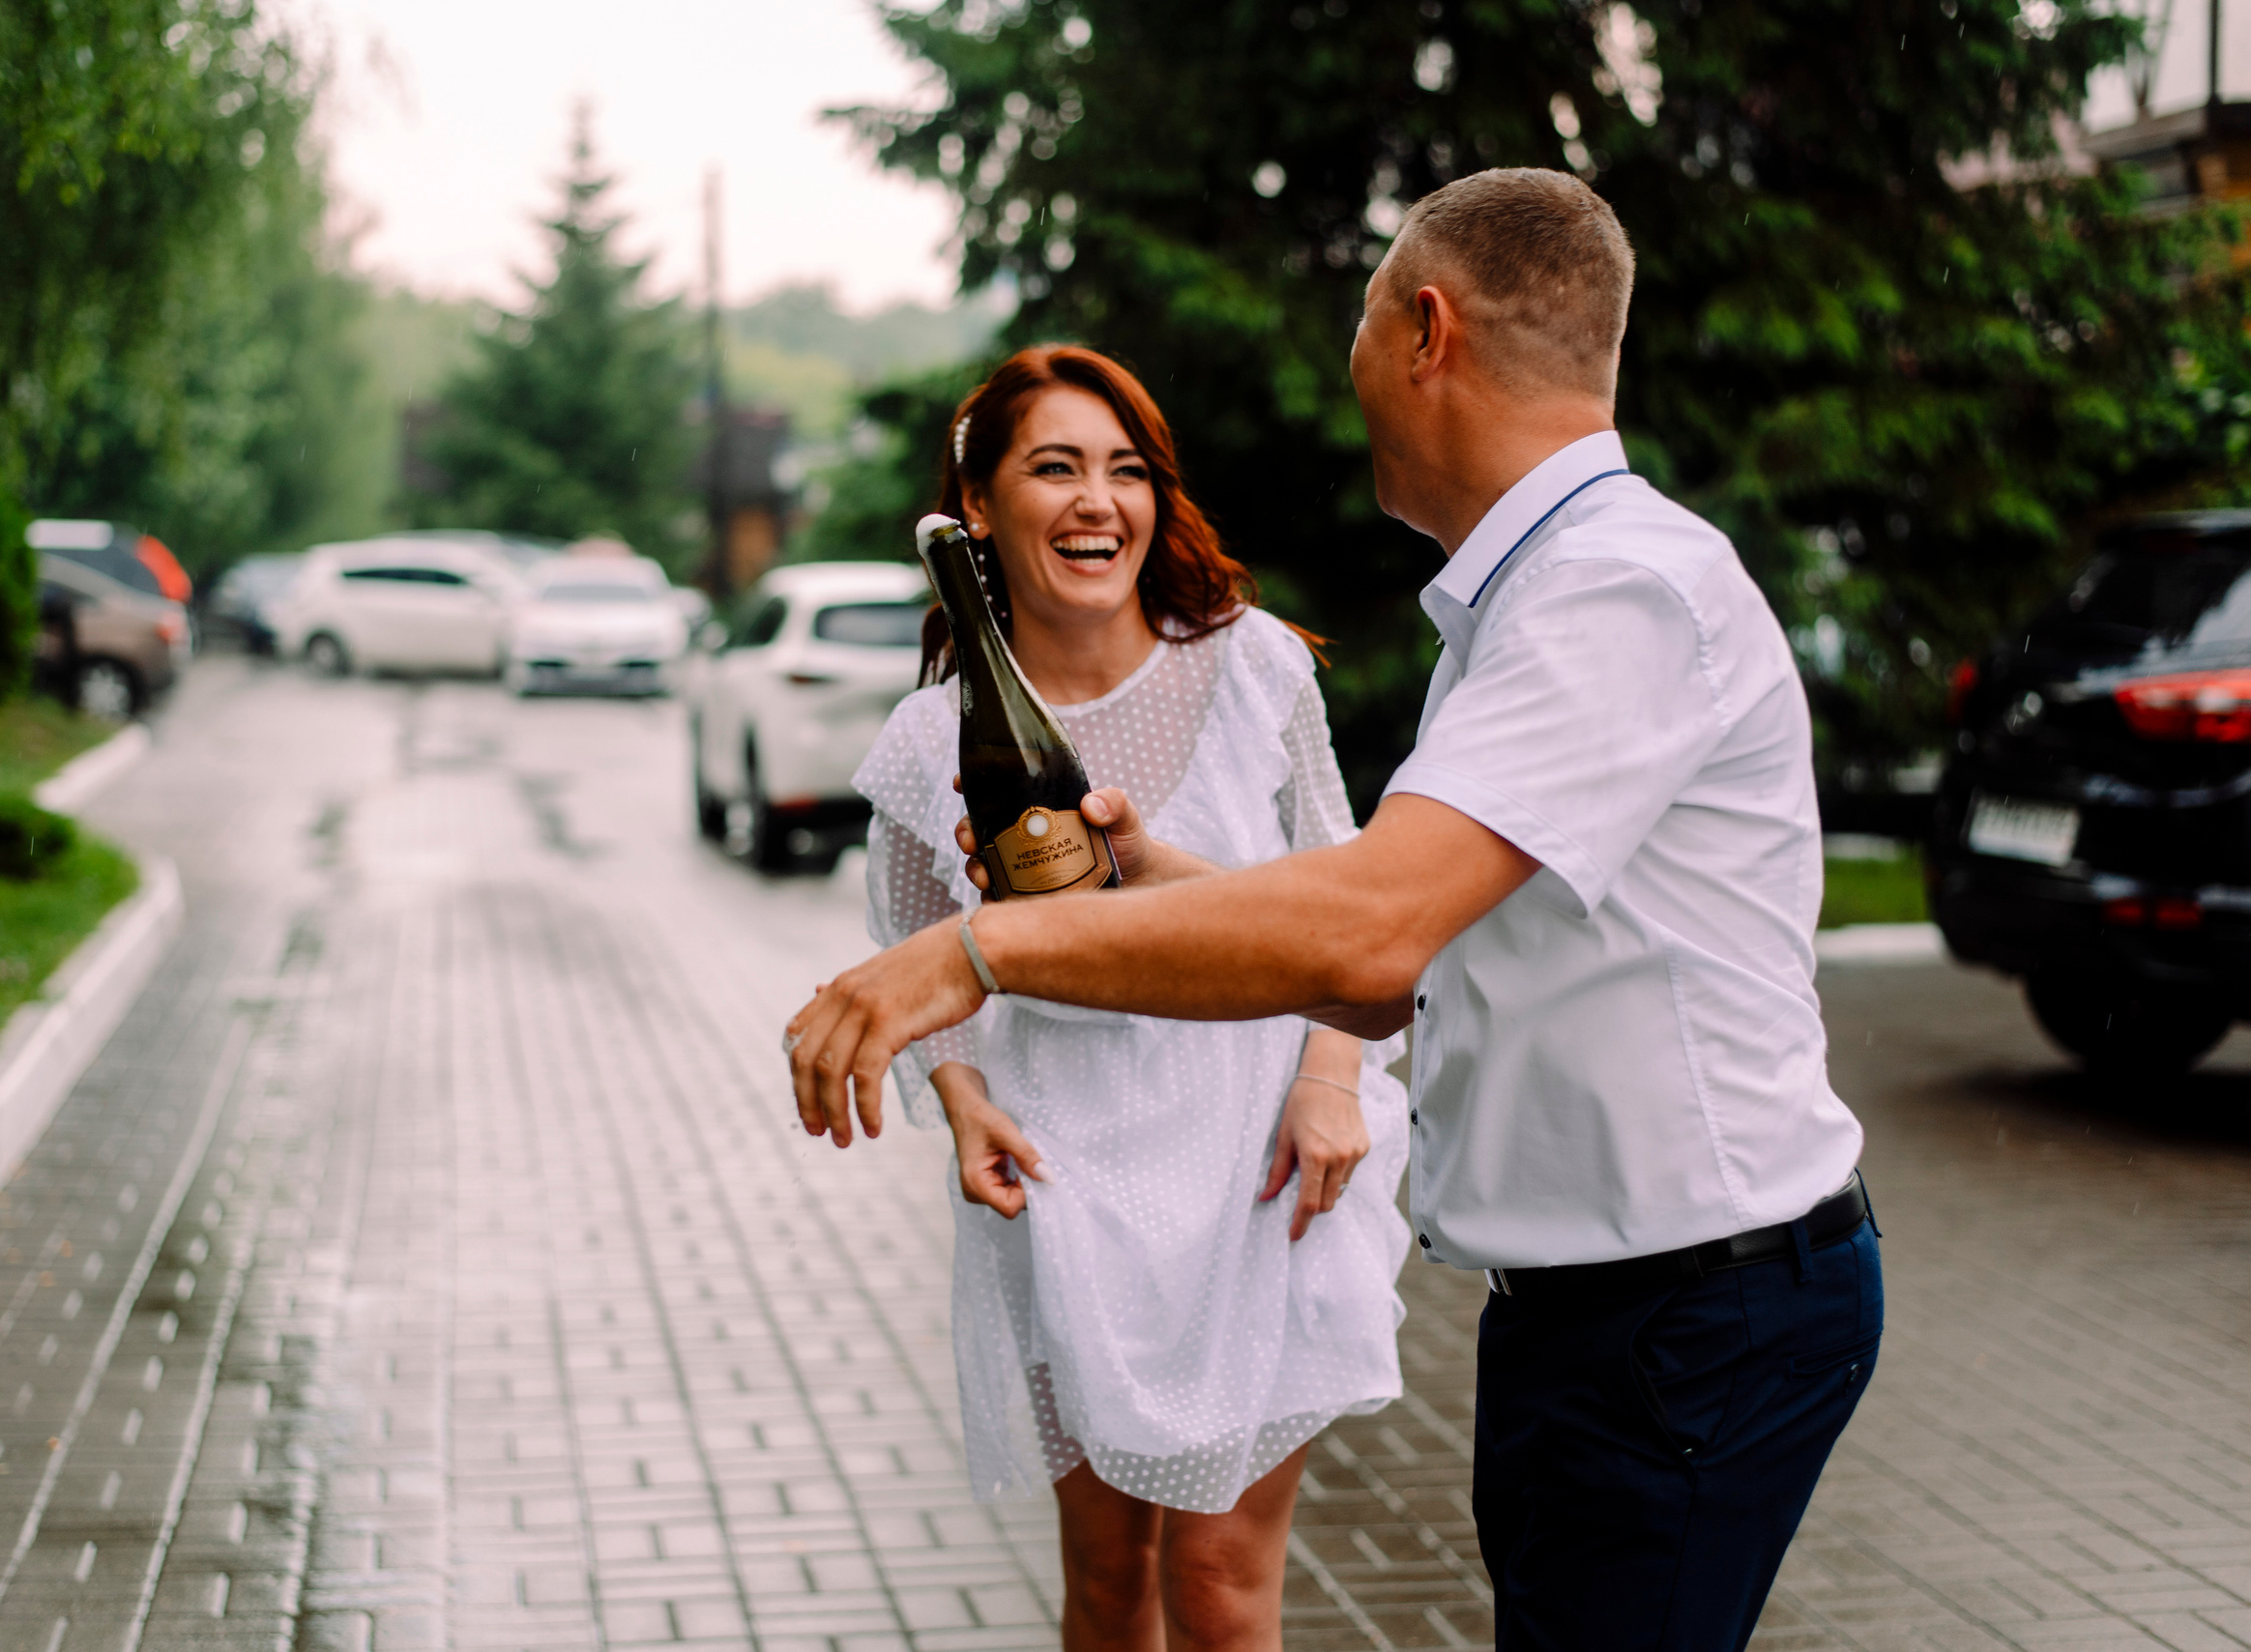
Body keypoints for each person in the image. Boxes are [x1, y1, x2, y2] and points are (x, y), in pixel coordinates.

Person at [786, 170, 1883, 1652]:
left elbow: (1365, 933)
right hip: (1604, 1319)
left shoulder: (1617, 593)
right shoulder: (1524, 604)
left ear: (1425, 330)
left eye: (1363, 317)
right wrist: (1166, 880)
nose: (1348, 360)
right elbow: (1394, 977)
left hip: (1685, 1321)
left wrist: (976, 946)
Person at [856, 343, 1413, 1649]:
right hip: (1070, 1182)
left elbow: (1353, 896)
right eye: (1055, 467)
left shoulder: (1254, 669)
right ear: (979, 506)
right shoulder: (933, 739)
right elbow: (910, 930)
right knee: (1109, 1592)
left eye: (1128, 470)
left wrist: (1333, 1082)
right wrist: (962, 1099)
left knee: (1220, 1588)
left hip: (1265, 1162)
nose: (1100, 499)